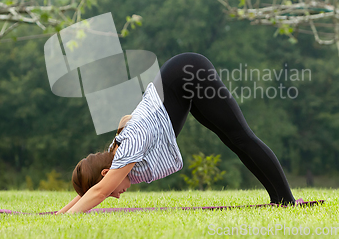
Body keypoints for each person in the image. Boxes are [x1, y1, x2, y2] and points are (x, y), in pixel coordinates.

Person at [57, 52, 297, 214]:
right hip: (179, 83)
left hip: (187, 73)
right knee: (233, 140)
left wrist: (63, 222)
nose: (116, 196)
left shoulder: (126, 150)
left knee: (240, 137)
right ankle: (280, 200)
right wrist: (60, 212)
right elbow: (95, 188)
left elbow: (99, 190)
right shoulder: (114, 155)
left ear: (107, 173)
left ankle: (287, 201)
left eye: (112, 192)